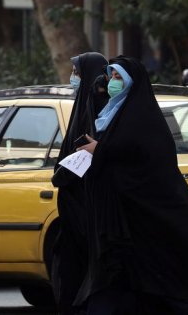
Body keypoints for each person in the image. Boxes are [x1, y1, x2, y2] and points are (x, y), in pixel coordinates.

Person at [53, 55, 188, 314]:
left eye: (118, 77)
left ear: (133, 82)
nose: (112, 83)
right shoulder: (110, 115)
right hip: (121, 220)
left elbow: (140, 159)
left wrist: (100, 151)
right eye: (111, 76)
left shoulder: (144, 120)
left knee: (162, 279)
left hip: (150, 214)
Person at [51, 52, 109, 314]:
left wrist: (62, 175)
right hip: (74, 209)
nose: (73, 77)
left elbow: (88, 154)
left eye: (77, 72)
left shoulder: (97, 108)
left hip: (87, 208)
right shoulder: (82, 106)